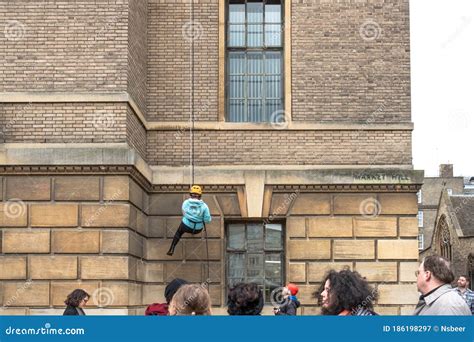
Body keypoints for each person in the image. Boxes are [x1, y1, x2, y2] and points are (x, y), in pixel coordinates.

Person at [167, 185, 212, 256]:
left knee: (179, 232)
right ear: (200, 195)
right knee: (194, 227)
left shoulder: (185, 203)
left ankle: (172, 248)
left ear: (191, 194)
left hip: (186, 226)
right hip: (198, 229)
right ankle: (193, 232)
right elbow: (207, 220)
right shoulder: (204, 206)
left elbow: (184, 213)